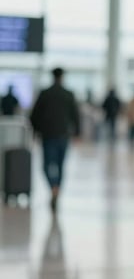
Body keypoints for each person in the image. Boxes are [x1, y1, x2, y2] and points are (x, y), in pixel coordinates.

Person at [29, 67, 80, 211]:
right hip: (63, 135)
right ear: (62, 77)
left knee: (46, 165)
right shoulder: (68, 94)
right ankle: (57, 189)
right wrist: (77, 132)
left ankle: (53, 187)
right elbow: (75, 115)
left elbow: (34, 115)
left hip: (48, 135)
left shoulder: (45, 93)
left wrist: (36, 131)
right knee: (60, 165)